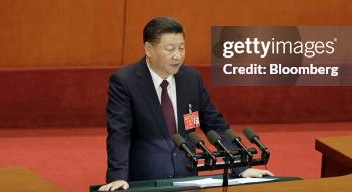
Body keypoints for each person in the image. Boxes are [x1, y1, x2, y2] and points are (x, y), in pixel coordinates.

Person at [99, 17, 273, 191]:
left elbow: (215, 124)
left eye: (181, 48)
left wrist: (241, 166)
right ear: (149, 49)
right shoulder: (125, 81)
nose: (178, 55)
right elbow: (119, 133)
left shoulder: (191, 79)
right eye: (170, 49)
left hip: (187, 181)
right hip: (146, 182)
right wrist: (118, 176)